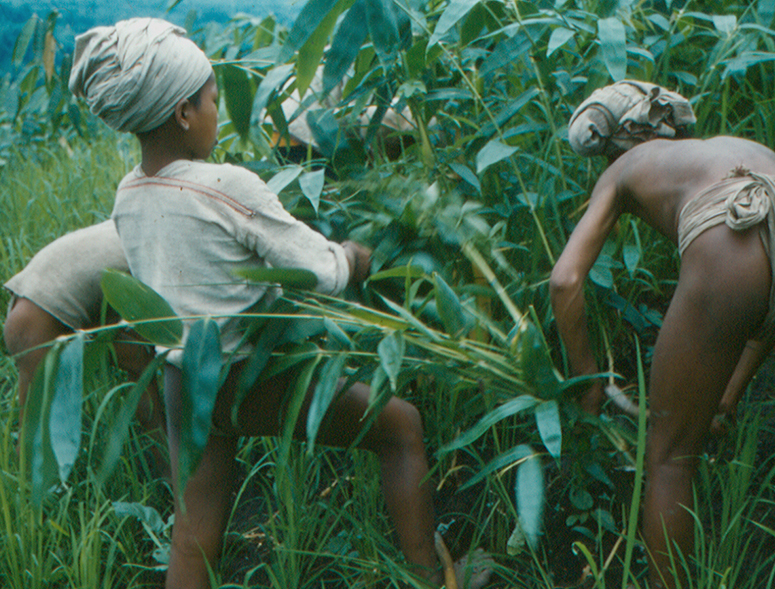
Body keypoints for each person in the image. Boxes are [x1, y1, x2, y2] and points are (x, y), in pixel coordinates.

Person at [68, 18, 492, 589]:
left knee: (192, 538)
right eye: (215, 99)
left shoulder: (128, 194)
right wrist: (356, 256)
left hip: (184, 383)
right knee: (400, 426)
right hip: (249, 375)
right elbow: (323, 271)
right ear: (184, 112)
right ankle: (432, 574)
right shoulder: (227, 185)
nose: (220, 110)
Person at [552, 80, 775, 588]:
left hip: (731, 255)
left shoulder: (623, 169)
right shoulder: (737, 147)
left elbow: (565, 280)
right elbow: (771, 288)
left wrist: (589, 382)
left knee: (667, 459)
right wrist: (727, 395)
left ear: (618, 143)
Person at [3, 221, 166, 465]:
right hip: (40, 320)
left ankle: (166, 464)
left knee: (33, 434)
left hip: (25, 308)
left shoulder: (134, 225)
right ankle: (168, 468)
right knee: (38, 443)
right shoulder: (154, 250)